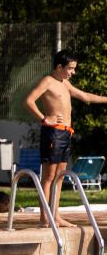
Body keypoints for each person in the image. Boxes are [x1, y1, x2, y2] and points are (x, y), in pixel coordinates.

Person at [25, 50, 107, 225]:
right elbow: (29, 101)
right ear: (59, 66)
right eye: (70, 68)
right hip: (53, 132)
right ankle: (44, 218)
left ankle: (55, 215)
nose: (73, 72)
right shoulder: (48, 81)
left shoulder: (65, 84)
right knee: (48, 177)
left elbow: (85, 97)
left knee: (60, 176)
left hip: (65, 132)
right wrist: (44, 118)